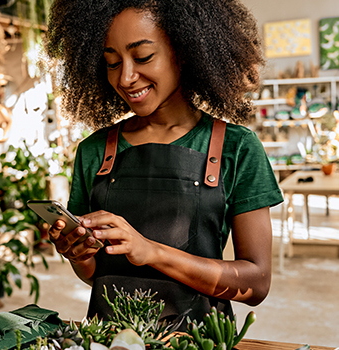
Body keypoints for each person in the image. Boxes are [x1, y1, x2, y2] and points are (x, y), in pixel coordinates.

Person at [45, 0, 283, 329]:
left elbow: (256, 284)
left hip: (200, 340)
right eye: (112, 62)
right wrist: (80, 253)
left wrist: (151, 252)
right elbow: (97, 277)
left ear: (185, 51)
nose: (126, 77)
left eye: (143, 57)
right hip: (109, 340)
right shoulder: (95, 152)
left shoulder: (236, 148)